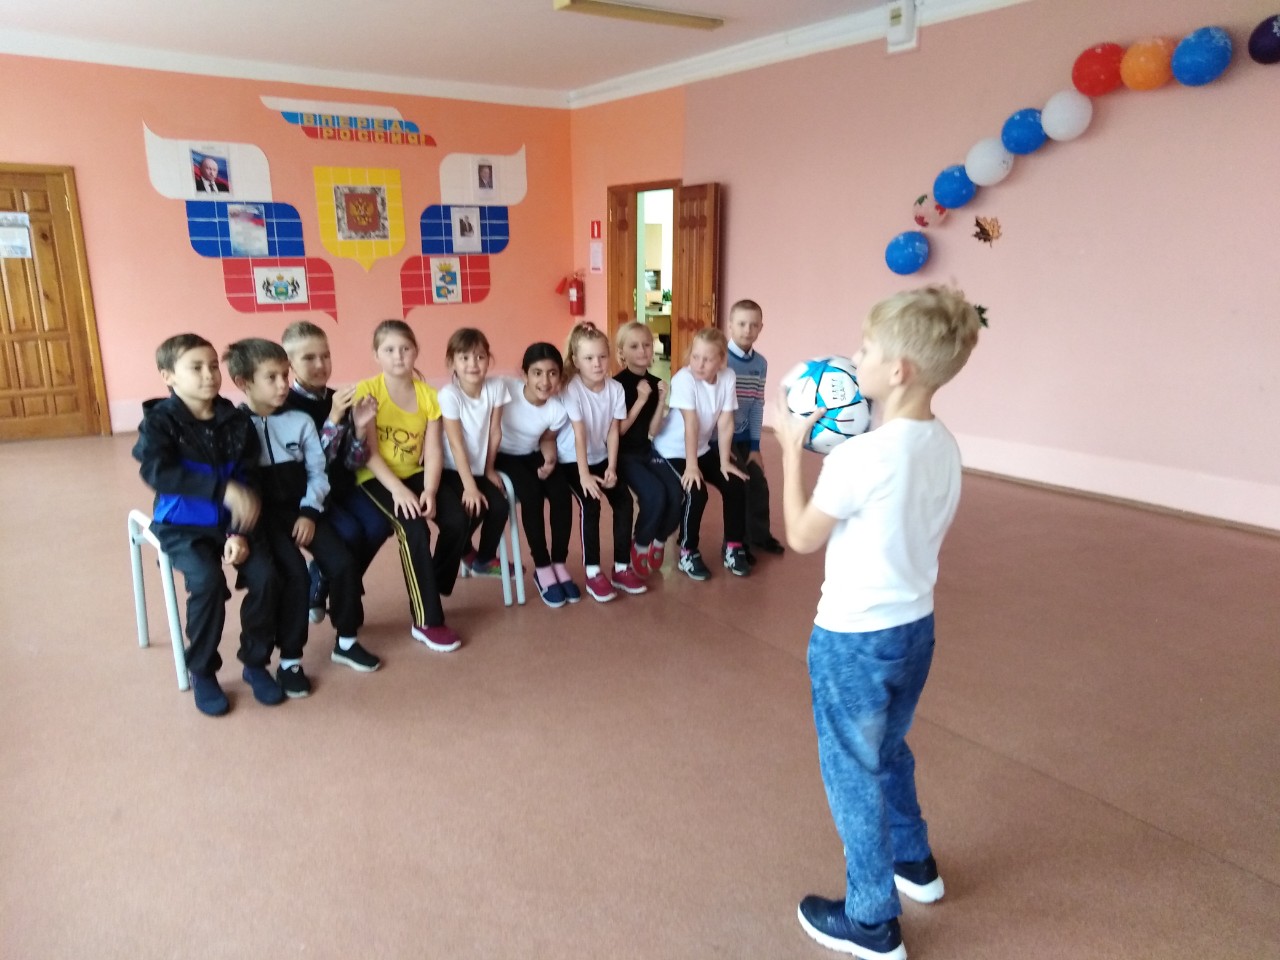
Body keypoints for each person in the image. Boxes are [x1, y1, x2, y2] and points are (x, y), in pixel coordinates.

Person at [777, 286, 981, 960]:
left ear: (898, 371)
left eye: (865, 349)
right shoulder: (943, 444)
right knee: (888, 750)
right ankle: (913, 863)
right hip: (914, 631)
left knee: (851, 771)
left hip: (852, 640)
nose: (854, 357)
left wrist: (790, 453)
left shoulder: (859, 457)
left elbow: (801, 536)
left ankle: (870, 919)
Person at [132, 334, 281, 716]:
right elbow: (158, 473)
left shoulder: (235, 420)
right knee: (208, 582)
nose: (209, 375)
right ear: (168, 376)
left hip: (233, 524)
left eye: (213, 366)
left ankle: (255, 662)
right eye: (195, 367)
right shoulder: (159, 423)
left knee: (266, 577)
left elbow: (249, 480)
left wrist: (239, 533)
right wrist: (221, 489)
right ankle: (202, 670)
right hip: (182, 527)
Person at [224, 337, 374, 695]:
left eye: (284, 375)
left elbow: (317, 473)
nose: (283, 385)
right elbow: (233, 484)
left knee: (343, 563)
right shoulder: (235, 426)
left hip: (303, 510)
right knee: (294, 576)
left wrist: (309, 512)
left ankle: (347, 640)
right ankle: (290, 660)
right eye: (271, 378)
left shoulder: (300, 420)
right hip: (264, 520)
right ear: (244, 383)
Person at [353, 320, 467, 653]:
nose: (398, 356)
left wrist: (429, 490)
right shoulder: (368, 391)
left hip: (413, 472)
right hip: (375, 475)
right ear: (376, 355)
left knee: (457, 519)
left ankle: (430, 583)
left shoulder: (429, 396)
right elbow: (369, 453)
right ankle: (427, 619)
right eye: (389, 350)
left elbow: (433, 451)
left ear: (416, 351)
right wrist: (399, 491)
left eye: (405, 348)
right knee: (414, 529)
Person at [281, 320, 388, 672]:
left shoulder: (336, 396)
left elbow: (353, 461)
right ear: (289, 364)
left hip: (343, 488)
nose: (320, 364)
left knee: (379, 524)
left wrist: (359, 427)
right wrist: (336, 416)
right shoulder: (286, 406)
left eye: (325, 355)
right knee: (349, 537)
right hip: (311, 496)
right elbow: (314, 465)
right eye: (309, 358)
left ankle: (324, 577)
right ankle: (344, 616)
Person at [556, 322, 647, 603]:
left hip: (600, 458)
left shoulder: (615, 389)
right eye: (589, 358)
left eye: (602, 357)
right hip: (572, 460)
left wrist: (611, 467)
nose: (597, 364)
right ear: (575, 361)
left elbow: (613, 431)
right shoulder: (572, 389)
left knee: (624, 502)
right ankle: (593, 571)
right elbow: (579, 434)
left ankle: (621, 567)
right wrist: (584, 475)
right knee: (591, 503)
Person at [651, 327, 751, 580]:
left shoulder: (727, 377)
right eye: (695, 357)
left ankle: (733, 546)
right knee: (696, 491)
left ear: (721, 360)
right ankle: (687, 551)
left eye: (707, 359)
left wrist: (725, 461)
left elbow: (726, 421)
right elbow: (691, 424)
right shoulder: (684, 379)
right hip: (671, 450)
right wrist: (692, 466)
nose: (699, 364)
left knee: (735, 483)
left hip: (701, 448)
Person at [494, 342, 578, 607]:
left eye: (552, 373)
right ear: (524, 374)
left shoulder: (557, 409)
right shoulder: (504, 388)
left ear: (560, 376)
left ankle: (559, 563)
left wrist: (550, 459)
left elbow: (547, 439)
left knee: (561, 492)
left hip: (531, 453)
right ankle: (542, 568)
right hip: (501, 454)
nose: (545, 381)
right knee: (531, 495)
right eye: (537, 373)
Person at [436, 328, 510, 583]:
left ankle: (483, 559)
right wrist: (469, 486)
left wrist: (489, 470)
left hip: (478, 468)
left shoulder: (496, 387)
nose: (473, 364)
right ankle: (459, 555)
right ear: (452, 363)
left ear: (489, 359)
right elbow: (456, 444)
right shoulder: (449, 395)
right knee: (472, 507)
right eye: (464, 358)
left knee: (499, 506)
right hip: (452, 469)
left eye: (480, 357)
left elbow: (495, 432)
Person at [613, 322, 680, 578]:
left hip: (647, 449)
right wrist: (641, 400)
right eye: (634, 346)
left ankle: (659, 540)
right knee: (655, 495)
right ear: (622, 352)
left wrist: (661, 399)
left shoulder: (654, 382)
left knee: (676, 491)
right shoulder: (616, 385)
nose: (642, 351)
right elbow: (619, 431)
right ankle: (640, 544)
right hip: (623, 454)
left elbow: (653, 430)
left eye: (647, 345)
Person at [724, 299, 785, 560]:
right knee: (739, 486)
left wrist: (755, 446)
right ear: (730, 325)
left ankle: (759, 536)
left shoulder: (760, 363)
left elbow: (757, 404)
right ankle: (736, 544)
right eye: (741, 324)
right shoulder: (721, 359)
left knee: (758, 483)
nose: (747, 330)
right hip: (720, 438)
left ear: (761, 327)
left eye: (753, 325)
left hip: (743, 437)